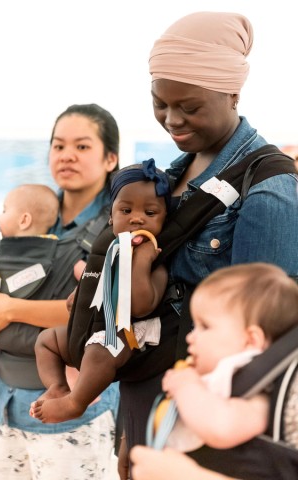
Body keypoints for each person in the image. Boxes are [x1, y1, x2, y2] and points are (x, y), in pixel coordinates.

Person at [116, 11, 298, 479]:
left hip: (207, 413)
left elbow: (264, 343)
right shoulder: (168, 175)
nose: (172, 120)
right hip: (145, 386)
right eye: (160, 104)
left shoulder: (270, 189)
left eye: (189, 107)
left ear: (233, 93)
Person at [0, 103, 121, 480]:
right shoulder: (24, 210)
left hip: (71, 410)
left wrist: (9, 309)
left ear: (111, 158)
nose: (66, 156)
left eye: (82, 146)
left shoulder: (120, 225)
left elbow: (106, 312)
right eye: (58, 146)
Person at [29, 159, 171, 424]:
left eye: (150, 213)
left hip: (124, 338)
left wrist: (141, 261)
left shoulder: (157, 262)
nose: (137, 218)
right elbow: (92, 282)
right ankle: (58, 386)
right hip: (86, 330)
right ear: (111, 215)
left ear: (165, 218)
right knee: (47, 340)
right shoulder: (108, 249)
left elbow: (141, 306)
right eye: (126, 210)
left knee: (99, 352)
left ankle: (76, 402)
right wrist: (78, 298)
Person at [151, 263, 298, 452]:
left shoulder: (261, 393)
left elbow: (222, 428)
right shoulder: (214, 378)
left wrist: (187, 387)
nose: (190, 337)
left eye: (205, 327)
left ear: (251, 341)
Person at [0, 183, 59, 384]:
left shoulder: (7, 254)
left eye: (4, 211)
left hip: (2, 331)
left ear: (24, 220)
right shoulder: (54, 250)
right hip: (39, 337)